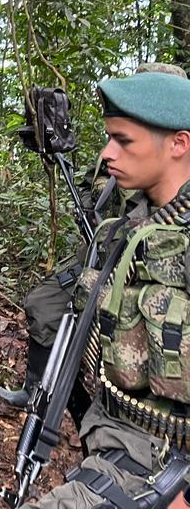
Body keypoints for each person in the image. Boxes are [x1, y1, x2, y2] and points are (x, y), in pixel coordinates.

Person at [18, 71, 190, 508]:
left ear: (178, 144)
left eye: (124, 141)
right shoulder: (127, 229)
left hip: (162, 465)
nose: (106, 153)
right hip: (117, 440)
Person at [0, 62, 188, 413]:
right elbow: (90, 187)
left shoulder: (166, 171)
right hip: (102, 257)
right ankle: (40, 392)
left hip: (144, 279)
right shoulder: (121, 156)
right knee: (43, 306)